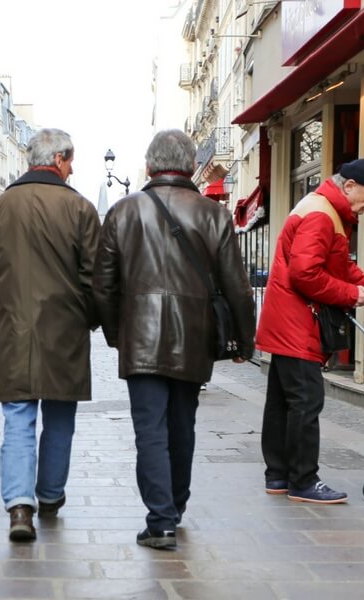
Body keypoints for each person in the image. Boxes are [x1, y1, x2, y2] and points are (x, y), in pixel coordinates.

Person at [93, 129, 256, 549]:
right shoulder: (213, 213)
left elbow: (103, 286)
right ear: (188, 166)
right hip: (193, 335)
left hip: (141, 338)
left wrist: (118, 333)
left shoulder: (124, 211)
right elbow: (237, 285)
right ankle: (176, 506)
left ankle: (161, 519)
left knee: (150, 429)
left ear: (149, 166)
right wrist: (244, 339)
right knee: (183, 425)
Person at [0, 128, 101, 542]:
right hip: (65, 332)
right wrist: (92, 319)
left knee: (18, 419)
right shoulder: (80, 209)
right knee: (60, 418)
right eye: (71, 161)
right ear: (59, 159)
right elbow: (96, 276)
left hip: (12, 328)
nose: (73, 168)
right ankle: (50, 495)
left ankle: (19, 507)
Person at [256, 159, 364, 504]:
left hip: (288, 320)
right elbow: (305, 274)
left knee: (282, 402)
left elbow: (342, 266)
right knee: (306, 402)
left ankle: (278, 475)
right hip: (298, 323)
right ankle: (303, 481)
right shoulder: (322, 215)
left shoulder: (326, 210)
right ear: (349, 185)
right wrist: (352, 295)